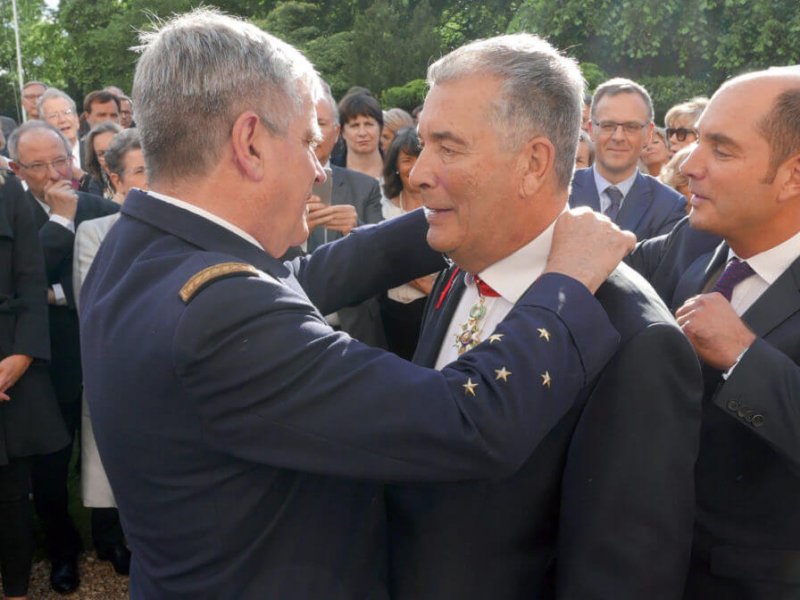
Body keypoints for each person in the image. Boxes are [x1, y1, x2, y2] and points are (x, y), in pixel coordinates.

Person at [79, 10, 633, 598]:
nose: (321, 172)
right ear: (249, 144)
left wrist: (460, 209)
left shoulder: (140, 248)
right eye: (309, 143)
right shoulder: (220, 310)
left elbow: (300, 278)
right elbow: (469, 421)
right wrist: (566, 284)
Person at [384, 34, 702, 600]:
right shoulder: (463, 262)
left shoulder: (636, 339)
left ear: (534, 162)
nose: (419, 173)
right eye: (424, 144)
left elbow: (620, 578)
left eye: (449, 148)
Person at [627, 67, 800, 600]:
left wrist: (745, 359)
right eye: (697, 139)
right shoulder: (690, 240)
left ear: (793, 176)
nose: (690, 165)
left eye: (721, 150)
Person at [7, 120, 120, 594]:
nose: (55, 172)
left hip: (101, 355)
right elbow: (20, 284)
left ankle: (112, 540)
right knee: (52, 467)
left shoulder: (100, 208)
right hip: (44, 363)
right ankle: (61, 551)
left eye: (61, 159)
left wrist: (58, 293)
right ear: (16, 169)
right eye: (39, 165)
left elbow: (112, 280)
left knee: (109, 453)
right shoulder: (12, 215)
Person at [0, 170, 68, 600]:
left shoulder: (8, 190)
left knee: (10, 495)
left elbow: (30, 278)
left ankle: (17, 591)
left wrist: (22, 354)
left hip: (8, 361)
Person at [570, 77, 687, 239]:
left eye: (631, 127)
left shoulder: (668, 205)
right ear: (591, 130)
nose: (618, 137)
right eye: (608, 125)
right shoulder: (560, 191)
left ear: (649, 133)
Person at [379, 127, 433, 358]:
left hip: (430, 308)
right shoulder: (382, 208)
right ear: (395, 166)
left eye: (420, 158)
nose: (414, 167)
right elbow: (381, 258)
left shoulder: (441, 208)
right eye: (407, 160)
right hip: (388, 311)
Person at [337, 91, 384, 179]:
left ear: (380, 128)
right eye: (354, 125)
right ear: (342, 132)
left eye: (368, 124)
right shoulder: (329, 173)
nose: (362, 133)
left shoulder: (397, 170)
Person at [83, 122, 123, 201]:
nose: (107, 158)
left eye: (112, 150)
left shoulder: (141, 173)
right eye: (101, 154)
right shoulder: (96, 184)